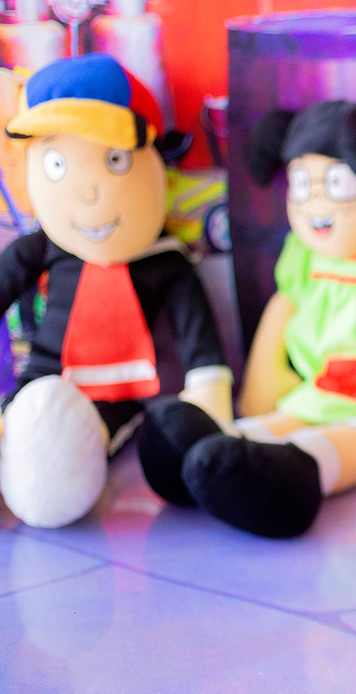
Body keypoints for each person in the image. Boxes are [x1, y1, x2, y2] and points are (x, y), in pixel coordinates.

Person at [138, 101, 356, 538]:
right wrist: (260, 387)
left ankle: (293, 480)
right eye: (303, 184)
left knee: (337, 446)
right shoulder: (305, 258)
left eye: (337, 184)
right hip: (310, 393)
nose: (316, 202)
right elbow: (280, 315)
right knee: (253, 433)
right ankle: (195, 456)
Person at [0, 53, 232, 529]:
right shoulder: (43, 249)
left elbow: (201, 346)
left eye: (114, 160)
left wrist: (211, 402)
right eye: (57, 163)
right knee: (18, 420)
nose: (88, 192)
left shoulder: (166, 261)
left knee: (66, 453)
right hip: (38, 381)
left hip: (115, 396)